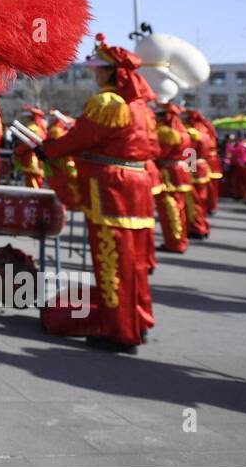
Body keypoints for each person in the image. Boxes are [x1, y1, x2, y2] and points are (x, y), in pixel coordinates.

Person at [38, 35, 160, 352]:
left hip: (111, 189)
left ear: (110, 73)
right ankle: (138, 321)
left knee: (111, 260)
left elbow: (79, 138)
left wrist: (48, 149)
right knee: (133, 262)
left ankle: (119, 331)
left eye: (98, 69)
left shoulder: (108, 104)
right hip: (138, 188)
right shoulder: (142, 108)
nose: (94, 74)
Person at [154, 102, 195, 249]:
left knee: (170, 209)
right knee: (180, 208)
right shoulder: (185, 133)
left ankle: (175, 241)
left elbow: (159, 154)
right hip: (183, 172)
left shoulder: (166, 133)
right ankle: (180, 239)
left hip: (169, 173)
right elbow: (191, 155)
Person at [12, 106, 48, 187]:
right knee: (37, 180)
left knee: (32, 181)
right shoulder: (39, 128)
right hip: (37, 157)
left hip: (31, 158)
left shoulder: (33, 128)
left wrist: (17, 151)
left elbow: (28, 144)